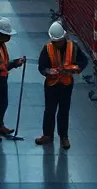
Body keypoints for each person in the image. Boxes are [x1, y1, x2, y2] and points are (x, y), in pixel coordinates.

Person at [36, 21, 89, 150]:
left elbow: (84, 61)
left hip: (66, 85)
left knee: (64, 111)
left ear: (64, 38)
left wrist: (75, 69)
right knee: (49, 110)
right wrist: (48, 71)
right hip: (51, 85)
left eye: (58, 41)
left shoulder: (73, 47)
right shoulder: (47, 49)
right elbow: (41, 66)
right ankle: (47, 134)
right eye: (54, 42)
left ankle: (63, 137)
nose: (56, 44)